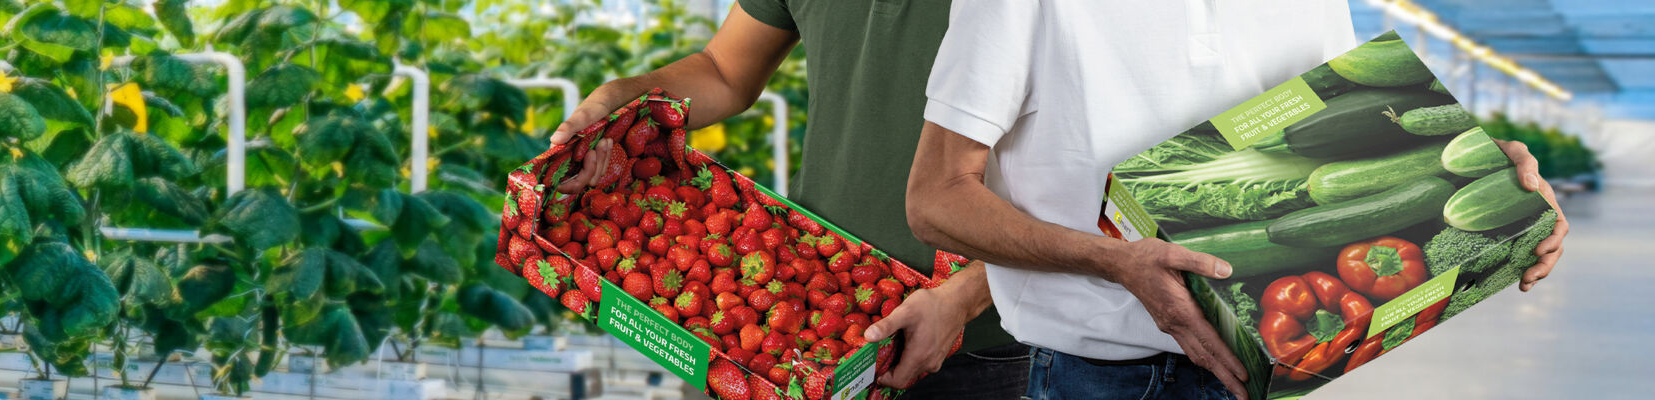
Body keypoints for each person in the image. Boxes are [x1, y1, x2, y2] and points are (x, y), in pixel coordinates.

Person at [898, 1, 1571, 399]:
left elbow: (1362, 133)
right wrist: (1114, 260)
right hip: (1101, 378)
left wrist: (1485, 173)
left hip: (1278, 358)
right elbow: (936, 198)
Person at [549, 1, 1028, 397]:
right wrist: (618, 99)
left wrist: (967, 296)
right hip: (808, 316)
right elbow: (725, 70)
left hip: (983, 347)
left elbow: (1095, 177)